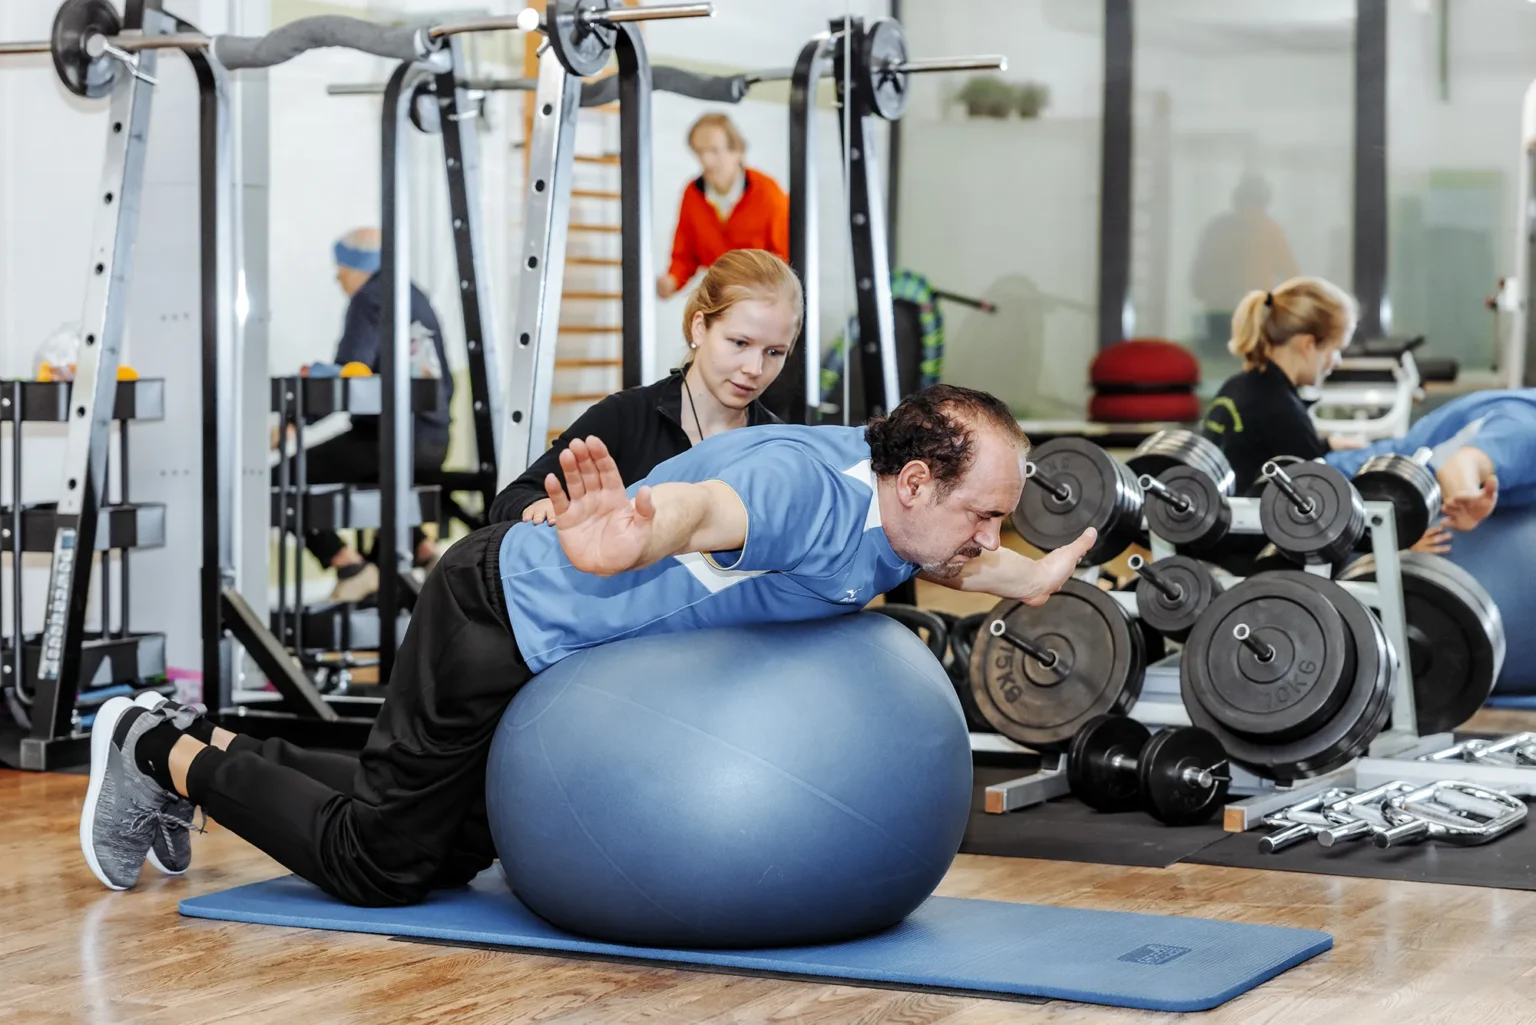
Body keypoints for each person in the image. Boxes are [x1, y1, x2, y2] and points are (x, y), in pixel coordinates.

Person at [80, 385, 1097, 903]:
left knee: (459, 838)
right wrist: (636, 534)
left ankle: (201, 739)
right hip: (499, 621)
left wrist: (1036, 576)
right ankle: (150, 748)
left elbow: (959, 560)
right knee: (381, 860)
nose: (989, 536)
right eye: (986, 513)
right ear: (915, 481)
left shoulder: (904, 501)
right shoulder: (801, 496)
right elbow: (704, 507)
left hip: (570, 670)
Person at [492, 249, 796, 525]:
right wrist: (543, 507)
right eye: (740, 343)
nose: (754, 369)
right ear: (700, 327)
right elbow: (514, 497)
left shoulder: (779, 448)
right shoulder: (625, 417)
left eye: (774, 353)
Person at [283, 228, 455, 601]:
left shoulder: (371, 298)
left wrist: (297, 420)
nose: (337, 277)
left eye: (340, 268)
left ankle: (349, 566)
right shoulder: (415, 296)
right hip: (434, 441)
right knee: (383, 494)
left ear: (359, 267)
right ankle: (424, 556)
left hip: (391, 441)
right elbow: (446, 382)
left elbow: (351, 377)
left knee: (282, 478)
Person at [1200, 276, 1361, 494]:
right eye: (1335, 349)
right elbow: (1315, 499)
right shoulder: (1283, 411)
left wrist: (1327, 445)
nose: (1337, 361)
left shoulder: (1236, 387)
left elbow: (1250, 453)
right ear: (1309, 345)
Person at [657, 114, 790, 300]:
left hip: (763, 298)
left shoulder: (769, 193)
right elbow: (685, 254)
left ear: (737, 151)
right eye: (699, 151)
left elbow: (785, 259)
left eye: (714, 151)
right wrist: (670, 281)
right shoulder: (692, 194)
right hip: (719, 298)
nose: (706, 161)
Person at [1189, 173, 1299, 369]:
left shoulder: (1219, 227)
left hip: (1219, 312)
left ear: (1237, 198)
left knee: (1218, 368)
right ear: (1266, 199)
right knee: (1251, 369)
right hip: (1255, 313)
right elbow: (1292, 277)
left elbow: (1199, 278)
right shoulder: (1270, 229)